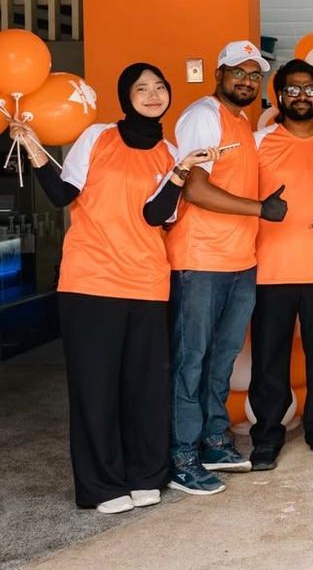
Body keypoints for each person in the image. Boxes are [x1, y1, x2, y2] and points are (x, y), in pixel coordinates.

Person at [10, 65, 206, 513]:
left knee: (145, 386)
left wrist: (181, 172)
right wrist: (33, 146)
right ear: (126, 96)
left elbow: (156, 216)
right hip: (91, 280)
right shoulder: (98, 136)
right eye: (142, 88)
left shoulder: (172, 153)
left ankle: (145, 474)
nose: (153, 95)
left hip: (147, 282)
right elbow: (62, 194)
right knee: (95, 387)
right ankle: (102, 485)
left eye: (160, 87)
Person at [166, 40, 287, 495]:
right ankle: (182, 455)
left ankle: (213, 439)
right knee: (191, 359)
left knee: (220, 358)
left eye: (255, 75)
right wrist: (260, 209)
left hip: (240, 260)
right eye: (239, 72)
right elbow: (194, 189)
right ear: (219, 74)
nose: (247, 81)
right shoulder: (204, 115)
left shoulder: (240, 121)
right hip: (200, 260)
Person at [247, 59, 313, 470]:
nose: (302, 96)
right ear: (279, 95)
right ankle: (267, 436)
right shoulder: (257, 142)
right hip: (269, 269)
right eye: (292, 89)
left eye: (309, 89)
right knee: (269, 359)